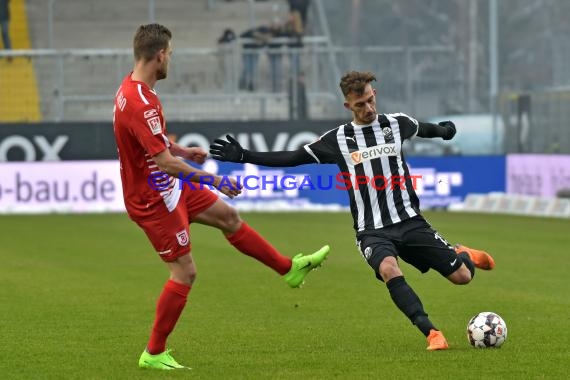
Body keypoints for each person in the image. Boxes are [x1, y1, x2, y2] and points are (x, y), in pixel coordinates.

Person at [210, 70, 496, 351]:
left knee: (462, 277)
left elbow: (425, 128)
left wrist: (445, 131)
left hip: (410, 222)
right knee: (388, 268)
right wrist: (245, 156)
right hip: (371, 230)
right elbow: (293, 156)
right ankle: (431, 332)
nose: (368, 108)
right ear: (348, 105)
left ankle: (462, 253)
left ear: (375, 95)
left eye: (371, 100)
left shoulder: (397, 124)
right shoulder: (337, 140)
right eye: (360, 105)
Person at [113, 24, 330, 370]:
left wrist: (182, 149)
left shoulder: (132, 90)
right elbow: (165, 163)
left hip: (169, 186)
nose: (171, 58)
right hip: (154, 199)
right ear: (159, 55)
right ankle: (153, 353)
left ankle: (289, 269)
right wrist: (214, 179)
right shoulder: (142, 103)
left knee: (229, 217)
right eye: (169, 53)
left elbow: (154, 143)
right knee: (184, 273)